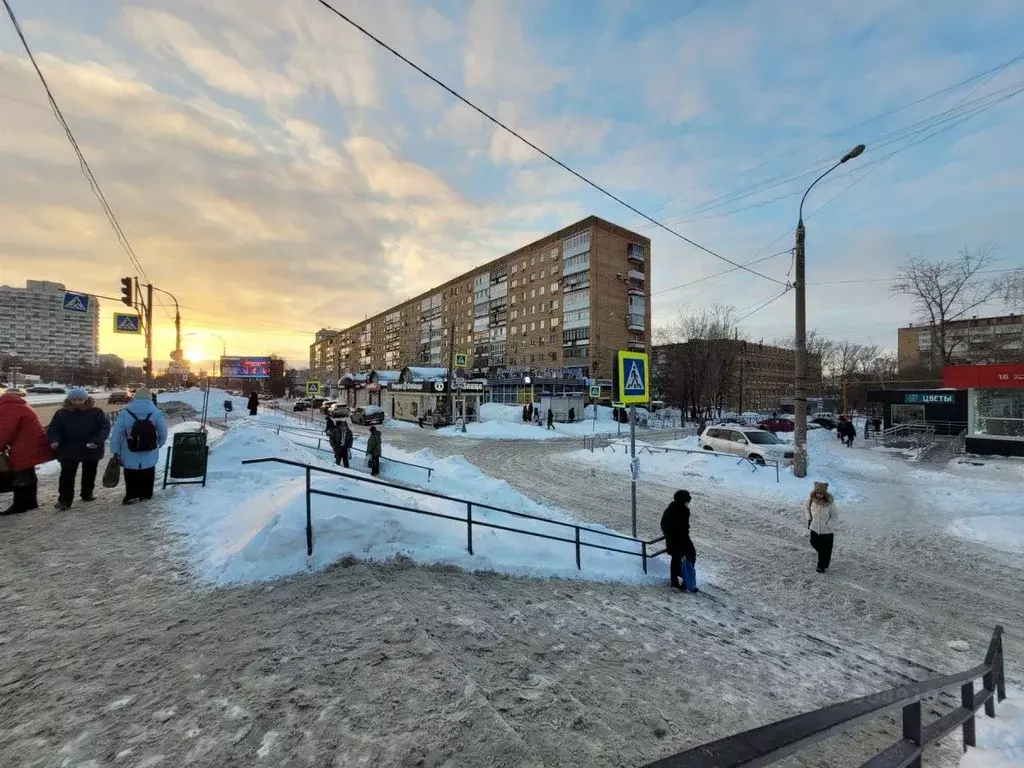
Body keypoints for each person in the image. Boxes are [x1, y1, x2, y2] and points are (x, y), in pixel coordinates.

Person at [45, 387, 110, 511]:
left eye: (80, 399)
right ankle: (64, 500)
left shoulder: (96, 412)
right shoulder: (62, 413)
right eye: (74, 399)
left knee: (89, 472)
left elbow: (105, 427)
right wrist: (55, 440)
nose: (77, 402)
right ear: (69, 400)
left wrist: (97, 441)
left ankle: (87, 493)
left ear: (86, 399)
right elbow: (53, 428)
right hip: (68, 447)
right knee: (66, 475)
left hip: (91, 447)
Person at [109, 387, 168, 505]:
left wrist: (115, 450)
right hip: (150, 447)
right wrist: (160, 442)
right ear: (150, 398)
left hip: (129, 447)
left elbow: (116, 433)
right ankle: (146, 493)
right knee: (148, 469)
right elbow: (163, 430)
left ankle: (131, 494)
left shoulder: (126, 412)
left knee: (130, 471)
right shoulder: (156, 412)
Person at [0, 389, 53, 515]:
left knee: (21, 472)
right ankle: (30, 502)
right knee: (28, 472)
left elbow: (4, 431)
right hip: (31, 443)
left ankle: (19, 505)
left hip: (24, 445)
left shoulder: (8, 408)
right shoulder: (17, 405)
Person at [660, 490, 697, 592]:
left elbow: (663, 524)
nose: (688, 502)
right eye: (687, 500)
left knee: (677, 559)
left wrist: (668, 535)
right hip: (679, 540)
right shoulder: (683, 511)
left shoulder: (670, 509)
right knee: (687, 557)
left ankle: (678, 580)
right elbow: (683, 528)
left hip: (675, 539)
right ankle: (684, 580)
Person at [806, 481, 838, 573]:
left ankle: (821, 566)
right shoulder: (811, 499)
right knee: (813, 542)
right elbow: (806, 508)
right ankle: (823, 557)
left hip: (827, 531)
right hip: (814, 527)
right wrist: (809, 518)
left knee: (825, 549)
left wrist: (829, 524)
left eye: (821, 493)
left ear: (824, 493)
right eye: (817, 492)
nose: (819, 495)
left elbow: (835, 516)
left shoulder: (830, 503)